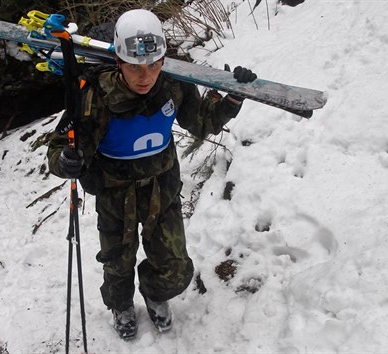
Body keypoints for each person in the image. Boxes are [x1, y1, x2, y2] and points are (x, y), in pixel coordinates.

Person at [47, 8, 257, 340]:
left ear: (162, 61)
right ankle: (121, 306)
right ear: (119, 61)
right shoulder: (95, 95)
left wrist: (232, 98)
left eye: (153, 65)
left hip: (162, 190)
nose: (145, 76)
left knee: (176, 269)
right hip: (115, 196)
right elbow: (62, 145)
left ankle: (154, 293)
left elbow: (202, 121)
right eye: (135, 67)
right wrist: (65, 161)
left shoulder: (172, 85)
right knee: (117, 265)